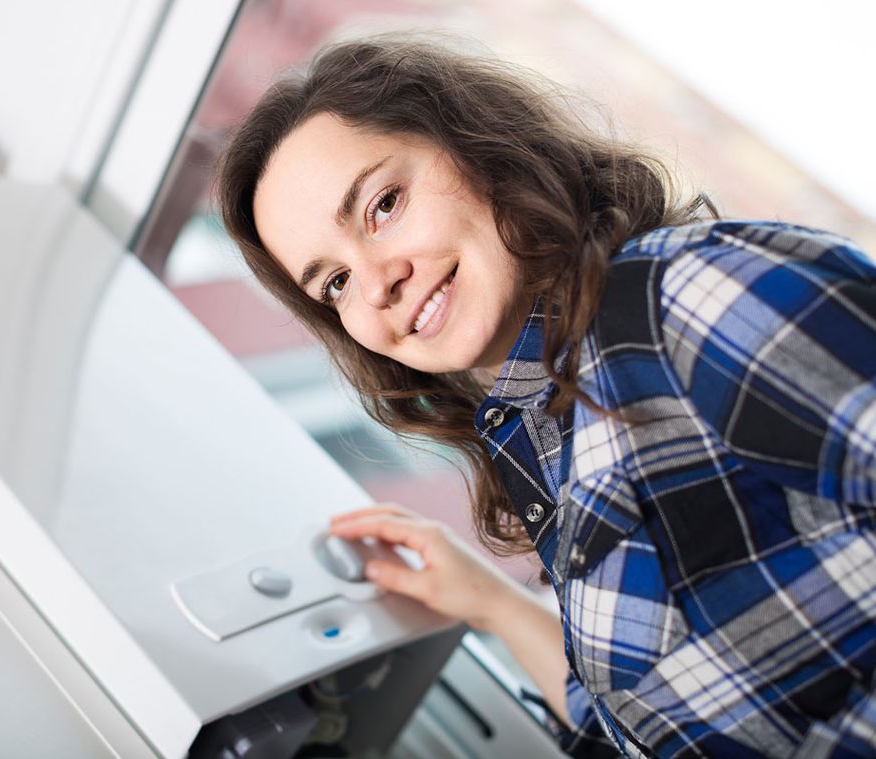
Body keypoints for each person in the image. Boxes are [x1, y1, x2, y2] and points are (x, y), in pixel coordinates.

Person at [215, 36, 876, 758]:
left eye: (382, 205)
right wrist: (490, 602)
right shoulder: (542, 428)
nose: (375, 284)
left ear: (479, 148)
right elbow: (643, 723)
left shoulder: (682, 301)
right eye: (334, 282)